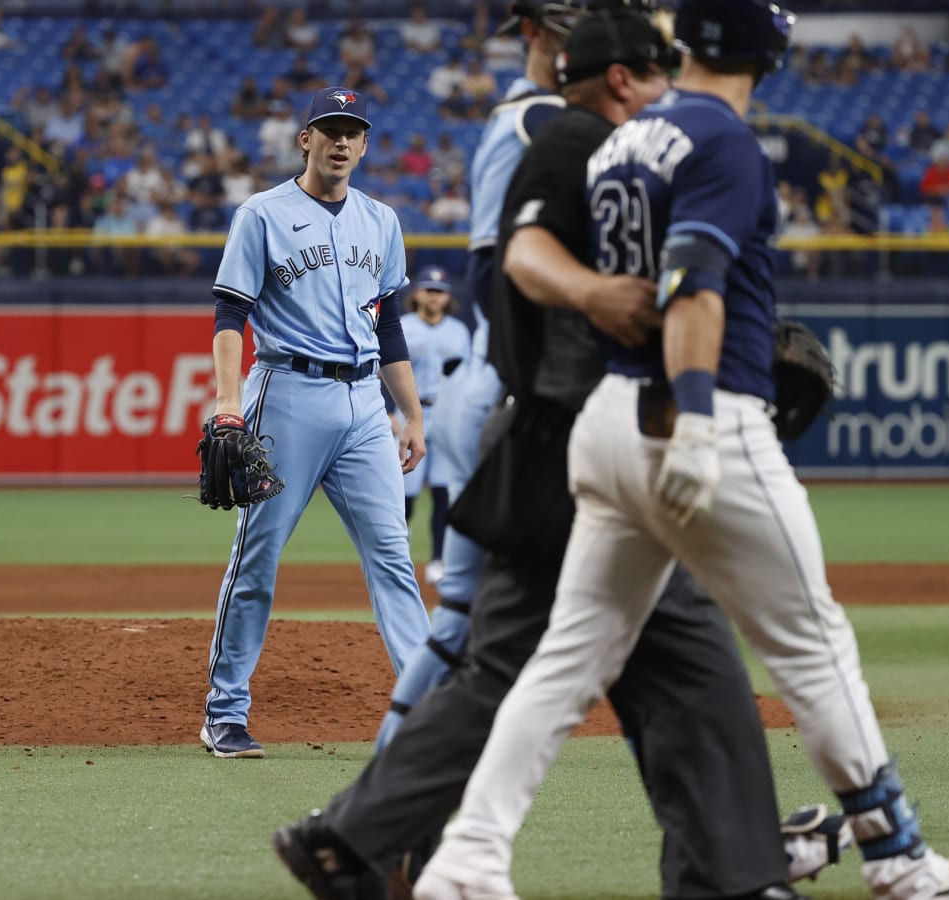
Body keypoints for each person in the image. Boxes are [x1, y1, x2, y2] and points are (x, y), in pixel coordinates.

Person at [415, 3, 949, 900]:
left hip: (608, 424)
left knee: (566, 660)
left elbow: (531, 246)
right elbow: (695, 282)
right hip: (697, 419)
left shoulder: (626, 137)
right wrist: (699, 420)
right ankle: (903, 863)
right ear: (766, 49)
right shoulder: (726, 140)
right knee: (815, 646)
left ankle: (467, 861)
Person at [272, 7, 848, 899]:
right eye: (656, 71)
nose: (669, 88)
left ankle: (357, 837)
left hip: (561, 425)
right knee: (649, 662)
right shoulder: (555, 130)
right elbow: (529, 282)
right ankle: (732, 873)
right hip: (574, 428)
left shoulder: (574, 136)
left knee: (636, 665)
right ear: (620, 76)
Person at [199, 86, 432, 759]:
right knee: (259, 557)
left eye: (351, 130)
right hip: (287, 393)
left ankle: (425, 709)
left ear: (364, 143)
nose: (340, 141)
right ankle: (225, 711)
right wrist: (227, 401)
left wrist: (410, 413)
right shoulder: (262, 214)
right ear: (304, 138)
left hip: (365, 406)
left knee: (393, 557)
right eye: (328, 128)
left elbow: (385, 325)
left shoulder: (382, 220)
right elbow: (229, 316)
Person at [393, 267, 471, 590]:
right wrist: (388, 410)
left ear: (448, 297)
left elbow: (467, 378)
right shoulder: (403, 327)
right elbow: (386, 369)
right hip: (408, 412)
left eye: (439, 291)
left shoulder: (459, 331)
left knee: (443, 491)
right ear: (416, 294)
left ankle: (438, 559)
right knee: (404, 493)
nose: (434, 296)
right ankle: (399, 555)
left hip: (446, 412)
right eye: (428, 290)